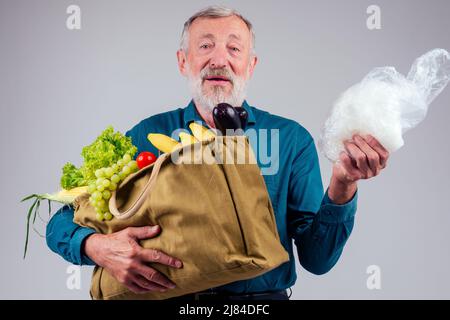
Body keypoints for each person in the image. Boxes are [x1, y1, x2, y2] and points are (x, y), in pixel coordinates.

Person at [46, 5, 389, 300]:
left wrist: (343, 185)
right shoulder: (148, 136)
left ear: (250, 65)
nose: (219, 60)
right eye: (205, 46)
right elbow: (61, 222)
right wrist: (96, 247)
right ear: (184, 62)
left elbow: (318, 259)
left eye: (234, 48)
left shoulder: (289, 140)